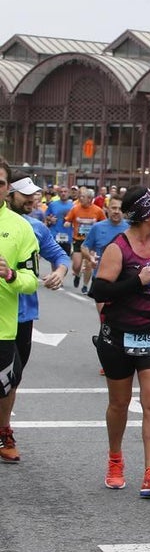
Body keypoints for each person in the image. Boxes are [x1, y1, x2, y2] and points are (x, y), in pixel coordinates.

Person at [89, 187, 150, 497]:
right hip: (119, 335)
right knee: (119, 404)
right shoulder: (118, 248)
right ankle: (115, 459)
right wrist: (137, 281)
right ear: (144, 214)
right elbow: (100, 291)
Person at [3, 172, 68, 464]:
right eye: (24, 194)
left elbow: (60, 256)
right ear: (10, 194)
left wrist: (59, 271)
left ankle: (4, 430)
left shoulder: (35, 228)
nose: (31, 199)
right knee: (9, 375)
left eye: (33, 194)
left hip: (22, 315)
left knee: (12, 381)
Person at [0, 166, 43, 464]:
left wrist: (11, 274)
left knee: (6, 386)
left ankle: (3, 432)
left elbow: (31, 281)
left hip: (3, 328)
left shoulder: (21, 227)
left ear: (6, 187)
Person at [64, 187, 105, 293]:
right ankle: (77, 274)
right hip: (78, 240)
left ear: (90, 199)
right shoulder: (75, 208)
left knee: (89, 264)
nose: (81, 198)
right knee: (76, 265)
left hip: (91, 242)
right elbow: (68, 219)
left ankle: (85, 286)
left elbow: (104, 223)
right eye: (80, 196)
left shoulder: (98, 210)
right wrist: (67, 223)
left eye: (83, 197)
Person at [81, 194, 129, 276]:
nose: (117, 211)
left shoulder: (130, 228)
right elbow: (84, 247)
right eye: (114, 208)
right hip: (101, 277)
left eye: (120, 209)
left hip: (123, 279)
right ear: (107, 209)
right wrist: (90, 258)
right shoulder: (97, 227)